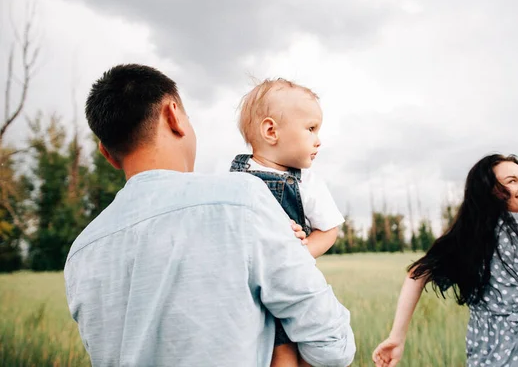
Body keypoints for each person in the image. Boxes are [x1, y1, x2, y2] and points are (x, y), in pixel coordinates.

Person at [64, 64, 356, 367]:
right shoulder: (243, 199)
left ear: (107, 153)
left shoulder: (81, 253)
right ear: (173, 115)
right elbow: (332, 344)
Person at [372, 154, 518, 367]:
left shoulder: (467, 238)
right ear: (491, 191)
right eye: (512, 181)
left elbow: (416, 274)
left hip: (486, 347)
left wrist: (397, 338)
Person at [229, 78, 345, 367]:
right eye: (311, 128)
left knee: (291, 351)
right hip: (246, 286)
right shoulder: (235, 178)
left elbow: (329, 229)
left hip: (287, 284)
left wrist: (299, 252)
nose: (319, 139)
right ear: (271, 131)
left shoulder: (307, 181)